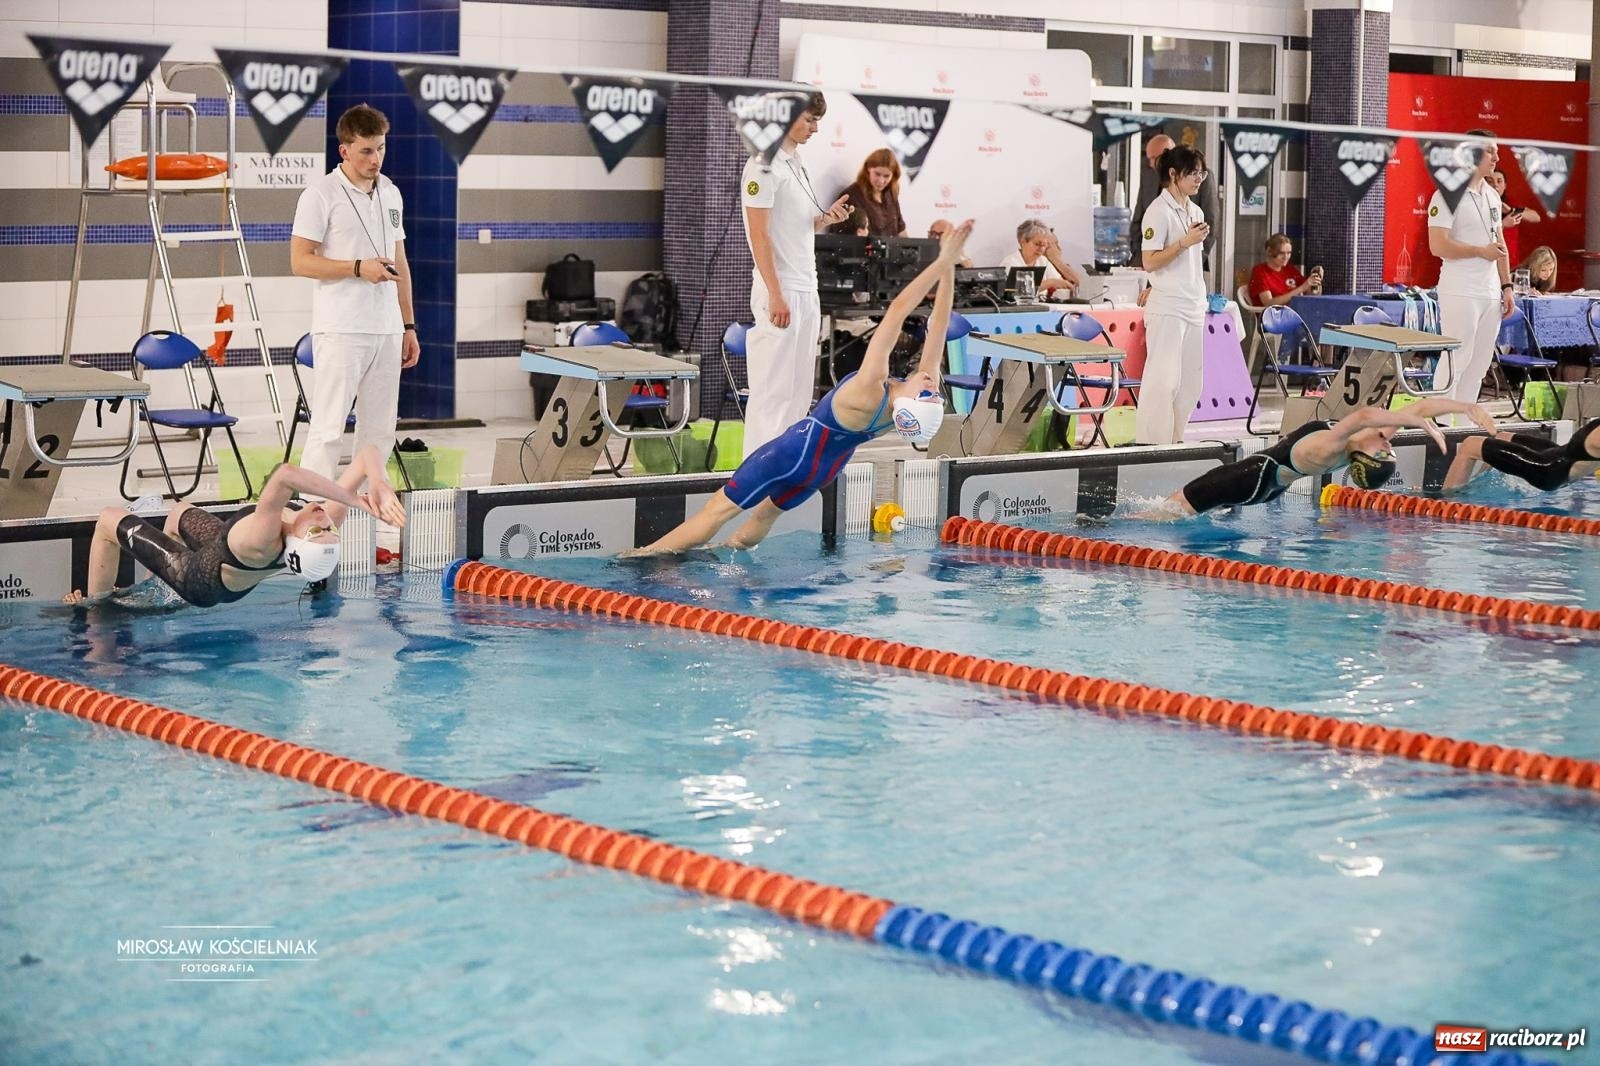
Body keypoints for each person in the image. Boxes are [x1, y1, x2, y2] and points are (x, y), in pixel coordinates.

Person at [623, 220, 973, 557]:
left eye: (926, 394)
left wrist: (939, 260)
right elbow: (938, 323)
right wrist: (950, 267)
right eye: (934, 393)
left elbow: (898, 310)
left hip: (793, 454)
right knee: (763, 517)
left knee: (716, 511)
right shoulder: (901, 404)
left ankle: (641, 557)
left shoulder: (871, 389)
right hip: (826, 468)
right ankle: (729, 554)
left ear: (910, 406)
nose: (930, 384)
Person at [65, 446, 406, 608]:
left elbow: (285, 475)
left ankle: (99, 609)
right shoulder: (314, 525)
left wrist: (355, 500)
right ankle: (156, 591)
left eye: (317, 531)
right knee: (180, 512)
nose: (322, 519)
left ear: (295, 547)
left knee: (109, 519)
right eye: (329, 528)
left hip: (200, 579)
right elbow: (366, 455)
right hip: (222, 547)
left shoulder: (264, 541)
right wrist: (377, 482)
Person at [290, 104, 420, 483]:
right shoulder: (320, 194)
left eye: (380, 148)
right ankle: (314, 519)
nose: (375, 158)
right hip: (342, 329)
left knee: (379, 432)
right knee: (329, 429)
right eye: (366, 150)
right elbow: (300, 261)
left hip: (387, 330)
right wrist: (358, 268)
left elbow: (401, 262)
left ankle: (365, 514)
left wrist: (408, 325)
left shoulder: (391, 193)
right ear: (344, 150)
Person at [740, 93, 854, 460]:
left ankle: (788, 470)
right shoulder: (763, 166)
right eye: (809, 119)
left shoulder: (796, 162)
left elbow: (795, 223)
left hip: (807, 286)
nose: (815, 128)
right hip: (781, 287)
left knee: (799, 391)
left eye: (817, 120)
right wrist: (775, 293)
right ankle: (755, 476)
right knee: (772, 391)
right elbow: (760, 235)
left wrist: (825, 219)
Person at [1155, 398, 1497, 517]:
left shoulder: (1335, 446)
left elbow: (1365, 415)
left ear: (1365, 456)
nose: (1386, 440)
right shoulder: (1365, 442)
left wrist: (1416, 423)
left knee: (1168, 510)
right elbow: (1422, 406)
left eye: (1385, 450)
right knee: (1192, 513)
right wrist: (1467, 407)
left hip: (1251, 477)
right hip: (1268, 488)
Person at [1428, 130, 1515, 403]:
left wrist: (1507, 286)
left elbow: (1499, 242)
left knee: (1479, 365)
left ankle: (1463, 426)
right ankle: (1438, 426)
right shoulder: (1446, 194)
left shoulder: (1491, 195)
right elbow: (1438, 245)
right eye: (1491, 151)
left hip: (1490, 292)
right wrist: (1479, 251)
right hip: (1460, 289)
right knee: (1457, 358)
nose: (1497, 157)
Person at [1136, 143, 1210, 446]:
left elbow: (1189, 262)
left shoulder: (1195, 209)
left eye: (1201, 174)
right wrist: (1184, 242)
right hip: (1168, 307)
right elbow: (1150, 261)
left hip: (1193, 304)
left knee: (1191, 383)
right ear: (1173, 174)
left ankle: (1176, 441)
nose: (1198, 179)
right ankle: (1151, 445)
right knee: (1163, 382)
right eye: (1193, 173)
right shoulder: (1158, 212)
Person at [1130, 133, 1219, 273]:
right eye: (1149, 159)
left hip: (1190, 274)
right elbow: (1137, 222)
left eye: (1155, 158)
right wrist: (1138, 257)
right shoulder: (1157, 207)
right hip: (1156, 269)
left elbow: (1210, 224)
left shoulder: (1196, 210)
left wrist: (1192, 261)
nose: (1152, 163)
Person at [1446, 418, 1600, 492]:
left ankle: (1449, 501)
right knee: (1502, 437)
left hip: (1547, 470)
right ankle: (1479, 486)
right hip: (1557, 459)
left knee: (1470, 445)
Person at [834, 148, 908, 238]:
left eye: (886, 176)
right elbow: (841, 239)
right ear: (868, 168)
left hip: (892, 250)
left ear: (893, 175)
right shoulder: (852, 196)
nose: (881, 181)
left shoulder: (890, 194)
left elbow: (901, 230)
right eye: (877, 174)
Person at [999, 220, 1082, 295]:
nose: (1041, 249)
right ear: (1023, 242)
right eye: (1037, 244)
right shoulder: (1011, 262)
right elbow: (1015, 292)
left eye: (1044, 245)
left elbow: (1060, 283)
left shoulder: (1043, 260)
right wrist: (1050, 283)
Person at [1248, 234, 1324, 308]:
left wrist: (1316, 282)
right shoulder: (1260, 272)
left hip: (1296, 312)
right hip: (1274, 317)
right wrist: (1301, 288)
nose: (1286, 257)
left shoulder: (1289, 269)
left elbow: (1312, 296)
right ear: (1270, 252)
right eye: (1281, 253)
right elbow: (1269, 303)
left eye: (1289, 253)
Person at [1488, 169, 1541, 269]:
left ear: (1505, 185)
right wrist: (1503, 224)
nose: (1495, 185)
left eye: (1499, 181)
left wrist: (1512, 210)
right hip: (1490, 264)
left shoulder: (1510, 202)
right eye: (1490, 181)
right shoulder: (1481, 205)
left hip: (1512, 265)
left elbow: (1536, 217)